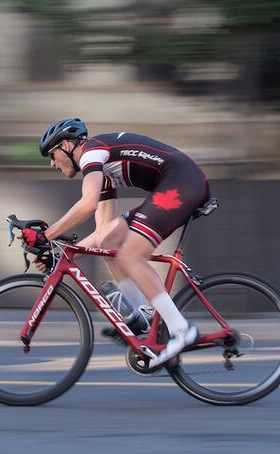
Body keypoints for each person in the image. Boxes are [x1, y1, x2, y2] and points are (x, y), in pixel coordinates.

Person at [18, 118, 209, 367]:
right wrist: (60, 254)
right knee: (112, 243)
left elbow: (88, 204)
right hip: (177, 183)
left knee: (130, 256)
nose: (52, 164)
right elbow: (103, 234)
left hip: (182, 183)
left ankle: (182, 330)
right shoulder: (100, 170)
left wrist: (47, 236)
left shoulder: (92, 153)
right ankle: (143, 316)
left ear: (65, 145)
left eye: (52, 155)